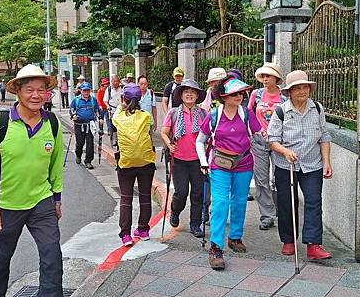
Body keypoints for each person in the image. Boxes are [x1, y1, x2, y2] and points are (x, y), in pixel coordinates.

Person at [0, 63, 72, 297]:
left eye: (41, 89)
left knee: (52, 255)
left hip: (41, 201)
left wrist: (56, 198)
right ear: (17, 91)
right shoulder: (0, 123)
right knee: (0, 257)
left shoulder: (51, 124)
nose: (36, 95)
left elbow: (56, 166)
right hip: (6, 204)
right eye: (29, 89)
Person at [196, 76, 262, 270]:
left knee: (240, 201)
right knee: (220, 203)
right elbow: (200, 141)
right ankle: (216, 247)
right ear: (223, 96)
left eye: (241, 93)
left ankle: (235, 237)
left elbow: (260, 134)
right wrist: (203, 162)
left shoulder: (247, 114)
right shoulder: (214, 115)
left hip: (244, 163)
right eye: (235, 93)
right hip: (219, 164)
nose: (240, 96)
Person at [267, 70, 333, 260]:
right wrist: (286, 151)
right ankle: (288, 240)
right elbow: (272, 140)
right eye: (298, 88)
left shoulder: (317, 109)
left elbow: (324, 137)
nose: (303, 91)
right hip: (286, 164)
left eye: (305, 87)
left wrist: (327, 162)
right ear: (289, 92)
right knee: (287, 202)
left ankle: (313, 245)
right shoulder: (281, 111)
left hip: (313, 164)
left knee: (313, 201)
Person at [161, 79, 207, 238]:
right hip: (178, 159)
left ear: (197, 96)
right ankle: (175, 211)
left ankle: (195, 224)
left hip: (198, 160)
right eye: (186, 92)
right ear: (180, 95)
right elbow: (164, 133)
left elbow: (208, 134)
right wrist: (169, 144)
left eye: (193, 92)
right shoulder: (173, 113)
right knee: (181, 192)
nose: (189, 94)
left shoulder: (202, 114)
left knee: (197, 193)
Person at [112, 83, 156, 246]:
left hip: (126, 163)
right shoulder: (146, 116)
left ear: (124, 98)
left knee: (126, 198)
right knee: (145, 196)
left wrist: (121, 105)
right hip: (146, 162)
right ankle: (143, 230)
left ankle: (126, 235)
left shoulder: (118, 117)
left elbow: (116, 117)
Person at [247, 62, 287, 230]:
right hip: (259, 141)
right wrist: (255, 131)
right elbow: (249, 113)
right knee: (261, 180)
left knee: (278, 179)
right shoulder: (256, 94)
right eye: (263, 76)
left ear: (276, 78)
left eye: (268, 76)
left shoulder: (284, 97)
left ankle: (281, 211)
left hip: (279, 142)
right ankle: (267, 216)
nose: (264, 79)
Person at [69, 82, 101, 170]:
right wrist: (73, 116)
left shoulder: (93, 100)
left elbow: (97, 110)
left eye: (88, 90)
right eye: (84, 91)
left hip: (90, 125)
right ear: (81, 91)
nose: (86, 92)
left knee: (90, 143)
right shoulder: (76, 100)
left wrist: (101, 118)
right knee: (80, 143)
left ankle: (88, 161)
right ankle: (78, 155)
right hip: (79, 125)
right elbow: (71, 110)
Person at [103, 74, 123, 147]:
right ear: (111, 82)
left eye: (117, 81)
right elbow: (105, 100)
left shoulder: (123, 89)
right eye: (114, 81)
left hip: (121, 110)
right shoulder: (109, 90)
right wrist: (108, 106)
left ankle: (120, 139)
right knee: (113, 126)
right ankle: (115, 140)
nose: (115, 83)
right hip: (112, 110)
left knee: (120, 125)